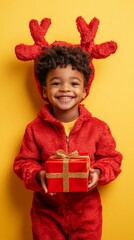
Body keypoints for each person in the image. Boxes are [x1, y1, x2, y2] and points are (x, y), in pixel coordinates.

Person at [13, 17, 122, 240]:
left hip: (87, 215)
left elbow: (113, 159)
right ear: (43, 90)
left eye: (74, 83)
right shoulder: (34, 129)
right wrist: (38, 174)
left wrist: (98, 172)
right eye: (56, 83)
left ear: (84, 91)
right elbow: (23, 163)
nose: (65, 89)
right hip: (46, 214)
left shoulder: (98, 128)